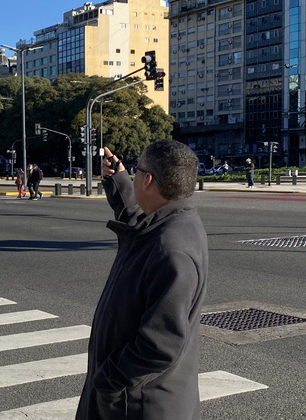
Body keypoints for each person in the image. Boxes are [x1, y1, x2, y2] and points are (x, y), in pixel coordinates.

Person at [76, 140, 208, 420]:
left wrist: (108, 379)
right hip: (133, 398)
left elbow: (160, 346)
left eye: (136, 171)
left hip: (137, 405)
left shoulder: (171, 250)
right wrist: (120, 181)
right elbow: (139, 224)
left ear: (148, 180)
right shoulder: (170, 223)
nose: (134, 176)